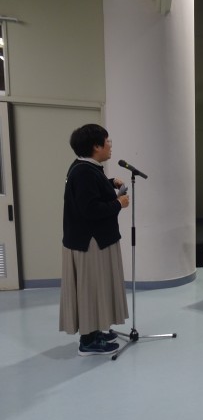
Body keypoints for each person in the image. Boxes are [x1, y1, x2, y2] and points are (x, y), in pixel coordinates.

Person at [59, 124, 130, 356]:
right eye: (107, 141)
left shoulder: (85, 168)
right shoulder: (83, 172)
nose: (110, 145)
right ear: (96, 146)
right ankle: (88, 341)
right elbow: (89, 209)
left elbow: (90, 192)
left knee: (97, 288)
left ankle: (95, 331)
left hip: (93, 240)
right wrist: (118, 203)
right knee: (90, 290)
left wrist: (109, 183)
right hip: (90, 242)